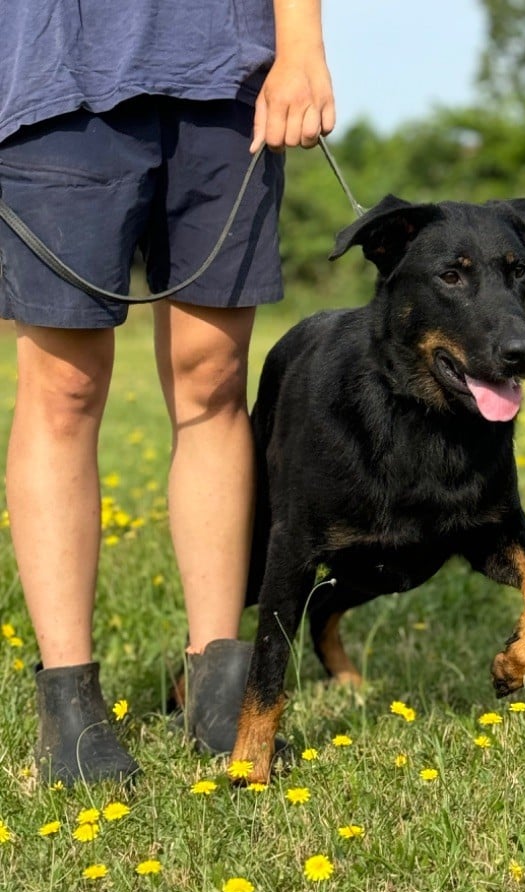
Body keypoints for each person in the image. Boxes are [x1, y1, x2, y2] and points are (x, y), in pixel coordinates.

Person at [0, 1, 335, 784]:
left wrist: (302, 46)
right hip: (53, 78)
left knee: (214, 378)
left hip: (225, 77)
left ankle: (217, 679)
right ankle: (69, 699)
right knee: (64, 386)